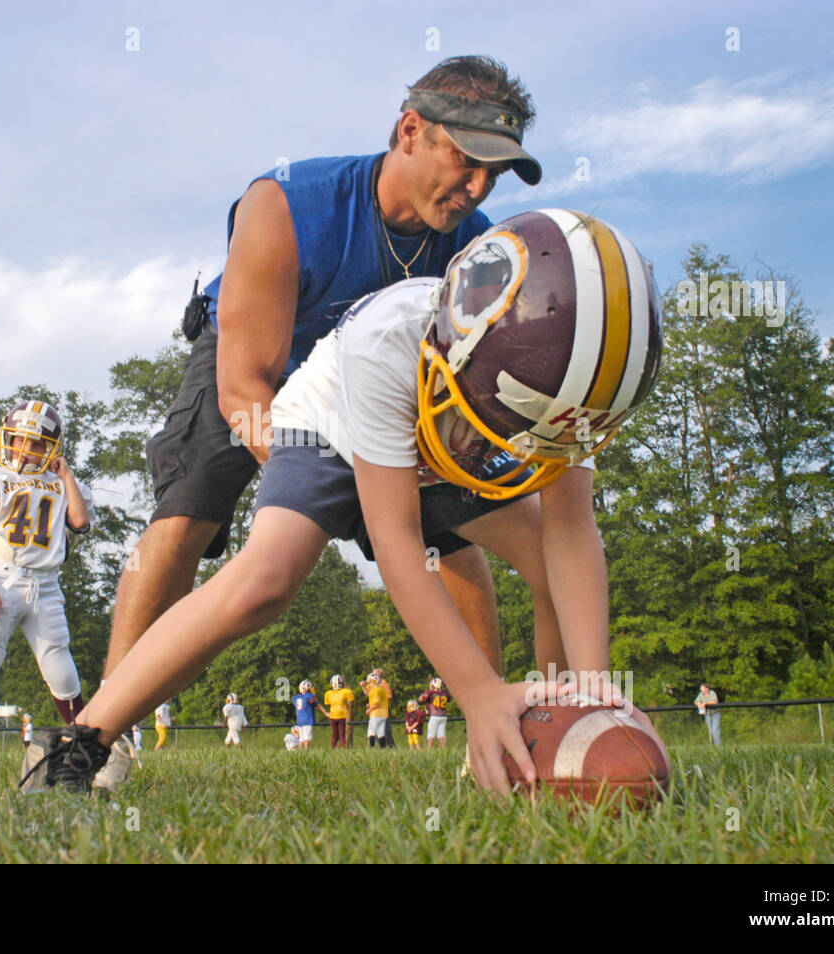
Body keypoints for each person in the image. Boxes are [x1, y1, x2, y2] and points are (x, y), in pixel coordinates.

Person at [21, 210, 667, 795]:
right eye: (512, 413)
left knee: (545, 563)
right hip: (332, 426)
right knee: (264, 580)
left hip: (438, 446)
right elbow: (396, 543)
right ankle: (82, 739)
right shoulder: (388, 338)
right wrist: (478, 693)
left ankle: (557, 730)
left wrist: (593, 688)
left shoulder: (580, 363)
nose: (524, 436)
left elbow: (571, 531)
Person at [93, 56, 544, 791]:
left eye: (492, 176)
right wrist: (335, 475)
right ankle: (104, 730)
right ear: (410, 131)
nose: (476, 189)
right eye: (466, 162)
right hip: (256, 358)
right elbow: (246, 389)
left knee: (454, 534)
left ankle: (485, 731)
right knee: (186, 517)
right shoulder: (288, 204)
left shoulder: (476, 250)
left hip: (378, 381)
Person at [0, 401, 96, 755]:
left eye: (37, 443)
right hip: (2, 580)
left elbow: (80, 522)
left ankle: (85, 744)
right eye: (19, 440)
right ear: (7, 439)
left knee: (61, 666)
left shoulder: (61, 484)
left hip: (46, 584)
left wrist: (67, 476)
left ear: (52, 449)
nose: (26, 450)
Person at [419, 676, 451, 748]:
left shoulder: (430, 692)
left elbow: (421, 699)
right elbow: (448, 700)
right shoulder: (445, 693)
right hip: (443, 716)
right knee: (441, 734)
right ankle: (443, 750)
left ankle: (429, 750)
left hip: (434, 716)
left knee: (431, 735)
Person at [323, 675, 354, 749]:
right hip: (342, 715)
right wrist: (347, 706)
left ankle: (333, 748)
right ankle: (342, 747)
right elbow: (350, 702)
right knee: (342, 734)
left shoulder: (328, 693)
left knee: (334, 734)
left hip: (333, 715)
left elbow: (327, 703)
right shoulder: (346, 692)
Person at [362, 672, 391, 749]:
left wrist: (369, 709)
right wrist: (363, 687)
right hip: (384, 714)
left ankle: (371, 748)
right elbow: (368, 694)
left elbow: (376, 704)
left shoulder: (376, 690)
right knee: (380, 733)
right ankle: (383, 749)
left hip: (376, 714)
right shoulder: (381, 689)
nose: (369, 684)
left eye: (370, 682)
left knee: (371, 731)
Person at [291, 680, 320, 750]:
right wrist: (314, 695)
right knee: (307, 737)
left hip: (299, 720)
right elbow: (317, 706)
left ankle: (300, 752)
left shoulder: (296, 697)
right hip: (307, 720)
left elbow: (294, 702)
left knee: (301, 738)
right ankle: (306, 751)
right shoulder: (309, 696)